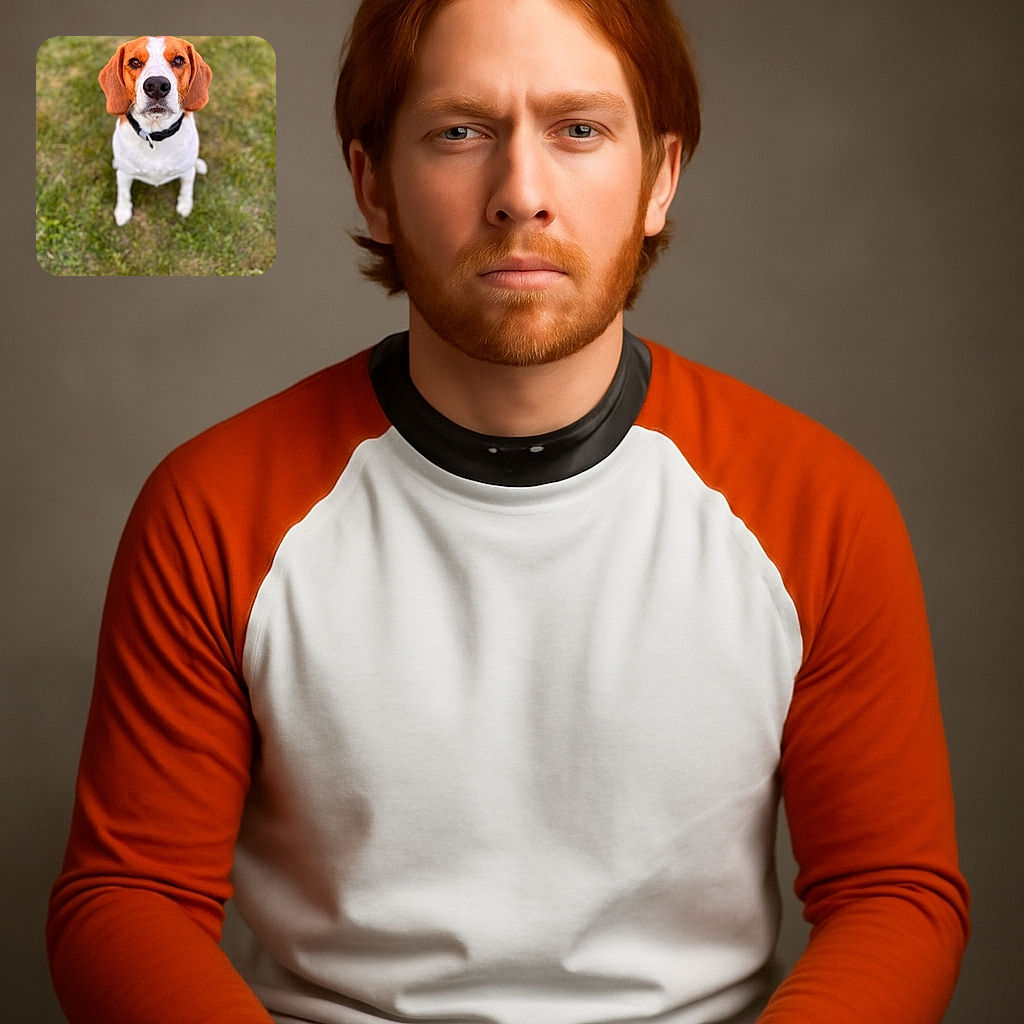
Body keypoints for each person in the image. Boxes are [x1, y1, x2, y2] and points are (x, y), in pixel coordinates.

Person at [47, 1, 969, 1022]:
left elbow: (893, 894)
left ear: (659, 179)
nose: (521, 194)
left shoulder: (820, 506)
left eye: (579, 129)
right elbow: (129, 901)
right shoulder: (212, 507)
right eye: (460, 132)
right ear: (374, 185)